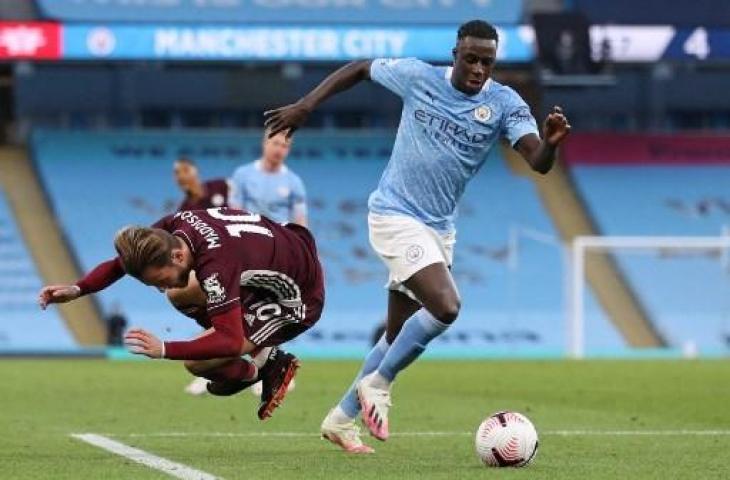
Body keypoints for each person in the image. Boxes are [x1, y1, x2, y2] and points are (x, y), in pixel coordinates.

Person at [265, 19, 571, 453]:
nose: (479, 69)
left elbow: (537, 161)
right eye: (471, 59)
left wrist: (553, 143)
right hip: (394, 215)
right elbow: (360, 67)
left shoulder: (505, 103)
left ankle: (339, 419)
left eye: (487, 61)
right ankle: (380, 385)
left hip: (439, 229)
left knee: (396, 335)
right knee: (446, 306)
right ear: (455, 55)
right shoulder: (418, 77)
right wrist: (306, 105)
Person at [38, 207, 325, 420]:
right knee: (180, 291)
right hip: (287, 249)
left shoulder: (216, 264)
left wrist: (164, 349)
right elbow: (120, 264)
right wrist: (78, 289)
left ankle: (266, 365)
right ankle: (263, 363)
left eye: (159, 280)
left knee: (196, 363)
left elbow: (229, 340)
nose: (160, 289)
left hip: (297, 298)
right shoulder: (176, 226)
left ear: (177, 256)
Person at [172, 156, 232, 395]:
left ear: (195, 170)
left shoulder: (221, 186)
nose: (180, 176)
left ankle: (267, 367)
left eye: (183, 170)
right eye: (176, 173)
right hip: (208, 268)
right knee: (215, 315)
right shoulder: (183, 210)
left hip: (237, 257)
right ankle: (208, 369)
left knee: (241, 314)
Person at [229, 129, 307, 226]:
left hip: (280, 237)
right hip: (249, 235)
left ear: (288, 150)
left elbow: (300, 220)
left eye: (284, 146)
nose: (279, 149)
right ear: (265, 143)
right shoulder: (241, 174)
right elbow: (234, 212)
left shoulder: (294, 182)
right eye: (275, 143)